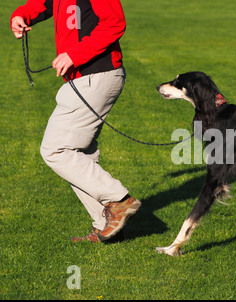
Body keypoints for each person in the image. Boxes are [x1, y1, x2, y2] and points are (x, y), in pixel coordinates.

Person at [10, 0, 141, 243]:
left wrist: (74, 54)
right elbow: (44, 3)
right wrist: (21, 16)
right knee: (80, 152)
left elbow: (114, 22)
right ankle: (107, 227)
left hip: (97, 74)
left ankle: (119, 201)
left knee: (56, 150)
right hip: (85, 77)